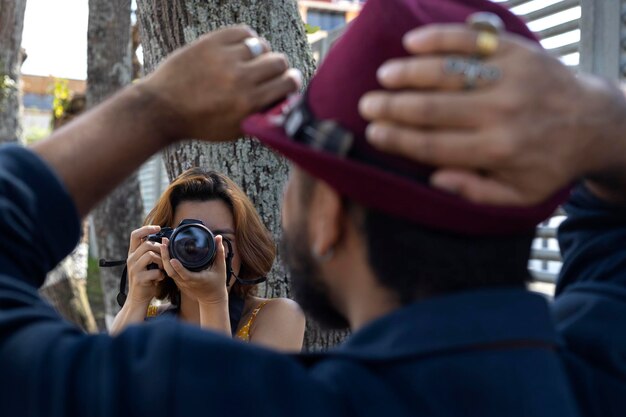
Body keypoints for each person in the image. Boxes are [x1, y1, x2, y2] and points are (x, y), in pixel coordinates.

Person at [1, 2, 625, 417]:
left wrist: (154, 107)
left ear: (327, 214)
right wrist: (599, 118)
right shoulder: (603, 368)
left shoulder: (199, 392)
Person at [110, 168, 305, 352]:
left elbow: (224, 388)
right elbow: (108, 382)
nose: (205, 250)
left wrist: (213, 301)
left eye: (222, 241)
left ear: (246, 248)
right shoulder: (147, 320)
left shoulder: (277, 316)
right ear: (163, 245)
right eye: (189, 239)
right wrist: (136, 299)